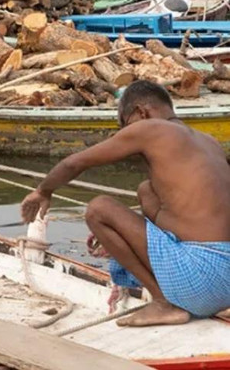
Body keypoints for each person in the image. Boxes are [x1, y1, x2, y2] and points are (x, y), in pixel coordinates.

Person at [20, 80, 230, 327]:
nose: (123, 133)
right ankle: (181, 293)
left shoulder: (151, 129)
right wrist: (122, 237)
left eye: (124, 125)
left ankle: (164, 303)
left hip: (198, 280)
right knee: (146, 191)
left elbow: (74, 163)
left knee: (99, 209)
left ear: (142, 112)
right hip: (225, 286)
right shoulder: (209, 142)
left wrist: (43, 191)